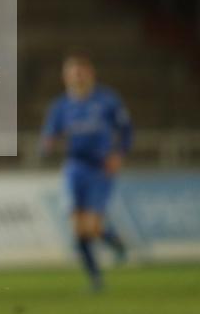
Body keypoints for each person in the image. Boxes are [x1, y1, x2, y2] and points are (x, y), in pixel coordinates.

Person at [40, 53, 133, 291]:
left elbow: (126, 130)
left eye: (81, 71)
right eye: (72, 72)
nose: (77, 76)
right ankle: (96, 280)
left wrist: (118, 154)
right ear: (65, 77)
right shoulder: (61, 106)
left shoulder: (107, 100)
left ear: (90, 73)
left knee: (91, 227)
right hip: (75, 168)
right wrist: (48, 143)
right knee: (79, 230)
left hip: (100, 169)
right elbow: (50, 134)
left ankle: (114, 241)